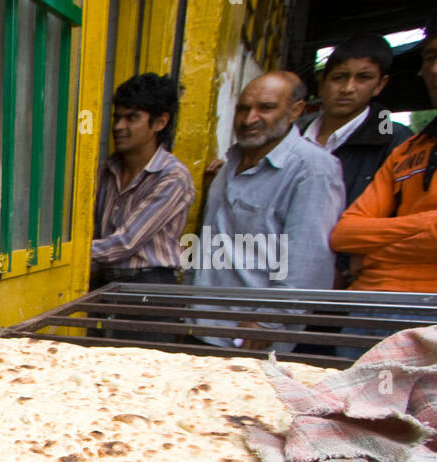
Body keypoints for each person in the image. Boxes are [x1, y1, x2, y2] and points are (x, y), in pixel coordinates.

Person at [188, 71, 344, 353]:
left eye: (266, 108)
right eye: (244, 109)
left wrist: (269, 320)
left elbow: (310, 261)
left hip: (251, 337)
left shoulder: (313, 168)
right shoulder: (230, 162)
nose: (250, 119)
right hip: (203, 325)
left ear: (296, 110)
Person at [329, 24, 437, 356]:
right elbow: (343, 234)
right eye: (431, 56)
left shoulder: (393, 137)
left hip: (426, 313)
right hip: (365, 304)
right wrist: (425, 224)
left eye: (363, 77)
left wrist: (372, 251)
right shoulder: (408, 150)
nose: (435, 68)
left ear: (381, 84)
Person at [90, 73, 196, 290]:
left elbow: (125, 242)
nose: (119, 126)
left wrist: (71, 254)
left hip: (150, 286)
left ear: (159, 122)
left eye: (131, 118)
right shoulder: (106, 170)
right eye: (116, 117)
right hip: (107, 282)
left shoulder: (172, 176)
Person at [300, 34, 412, 209]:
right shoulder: (292, 133)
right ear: (322, 84)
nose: (347, 89)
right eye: (339, 77)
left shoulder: (396, 141)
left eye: (363, 78)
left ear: (380, 85)